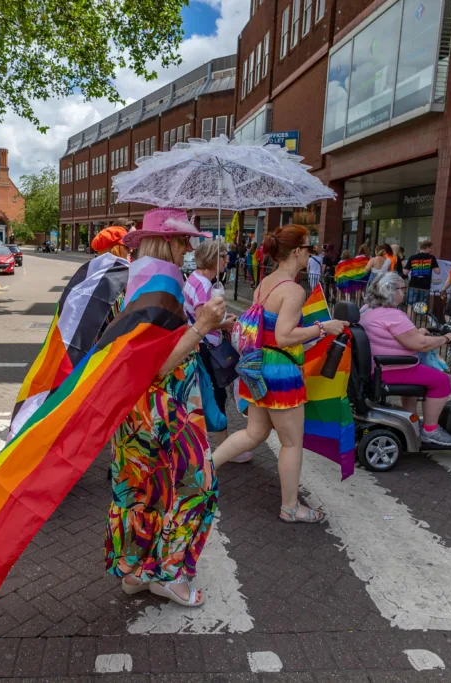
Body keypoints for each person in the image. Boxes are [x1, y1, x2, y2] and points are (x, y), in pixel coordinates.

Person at [109, 208, 224, 608]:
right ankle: (170, 575)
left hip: (135, 410)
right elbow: (157, 365)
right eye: (185, 241)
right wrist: (202, 326)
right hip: (168, 406)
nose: (190, 248)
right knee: (195, 485)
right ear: (169, 243)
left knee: (142, 489)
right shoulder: (162, 287)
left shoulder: (135, 284)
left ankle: (136, 570)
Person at [211, 225, 348, 523]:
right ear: (297, 252)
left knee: (254, 432)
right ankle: (290, 507)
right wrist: (325, 327)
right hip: (281, 371)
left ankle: (205, 471)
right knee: (290, 442)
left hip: (258, 366)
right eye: (309, 248)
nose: (311, 253)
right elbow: (285, 336)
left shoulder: (266, 283)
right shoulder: (294, 290)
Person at [361, 272, 451, 446]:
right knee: (442, 381)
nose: (404, 292)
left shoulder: (367, 309)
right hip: (391, 369)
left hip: (376, 367)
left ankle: (411, 422)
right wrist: (447, 338)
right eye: (402, 289)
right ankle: (430, 430)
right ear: (390, 291)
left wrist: (417, 333)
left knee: (420, 377)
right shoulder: (393, 315)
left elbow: (394, 336)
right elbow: (420, 345)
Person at [183, 239, 251, 463]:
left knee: (209, 396)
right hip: (206, 347)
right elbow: (205, 321)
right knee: (216, 396)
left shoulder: (195, 279)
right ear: (213, 258)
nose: (227, 259)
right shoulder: (203, 284)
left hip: (200, 345)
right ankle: (224, 450)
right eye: (223, 256)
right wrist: (226, 324)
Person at [404, 240, 441, 306]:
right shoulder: (431, 258)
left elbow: (405, 272)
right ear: (427, 248)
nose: (431, 250)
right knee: (422, 306)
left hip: (413, 285)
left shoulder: (412, 257)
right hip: (425, 286)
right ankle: (421, 316)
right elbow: (437, 271)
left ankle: (410, 317)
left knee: (410, 305)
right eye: (430, 248)